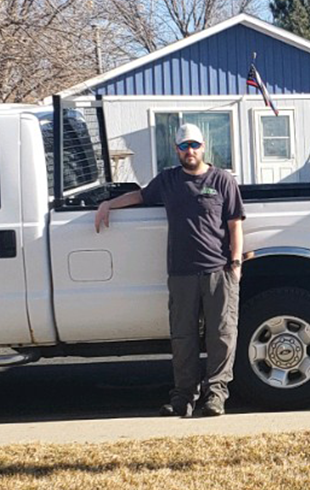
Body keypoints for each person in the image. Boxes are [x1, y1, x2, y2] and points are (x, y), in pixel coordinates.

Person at [93, 124, 245, 418]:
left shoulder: (222, 180)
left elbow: (235, 224)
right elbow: (139, 196)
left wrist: (235, 265)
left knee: (222, 334)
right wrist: (108, 204)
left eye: (194, 145)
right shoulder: (168, 181)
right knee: (183, 337)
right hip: (181, 273)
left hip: (218, 270)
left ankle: (216, 395)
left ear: (204, 147)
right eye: (184, 146)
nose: (190, 151)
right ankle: (183, 397)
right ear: (176, 150)